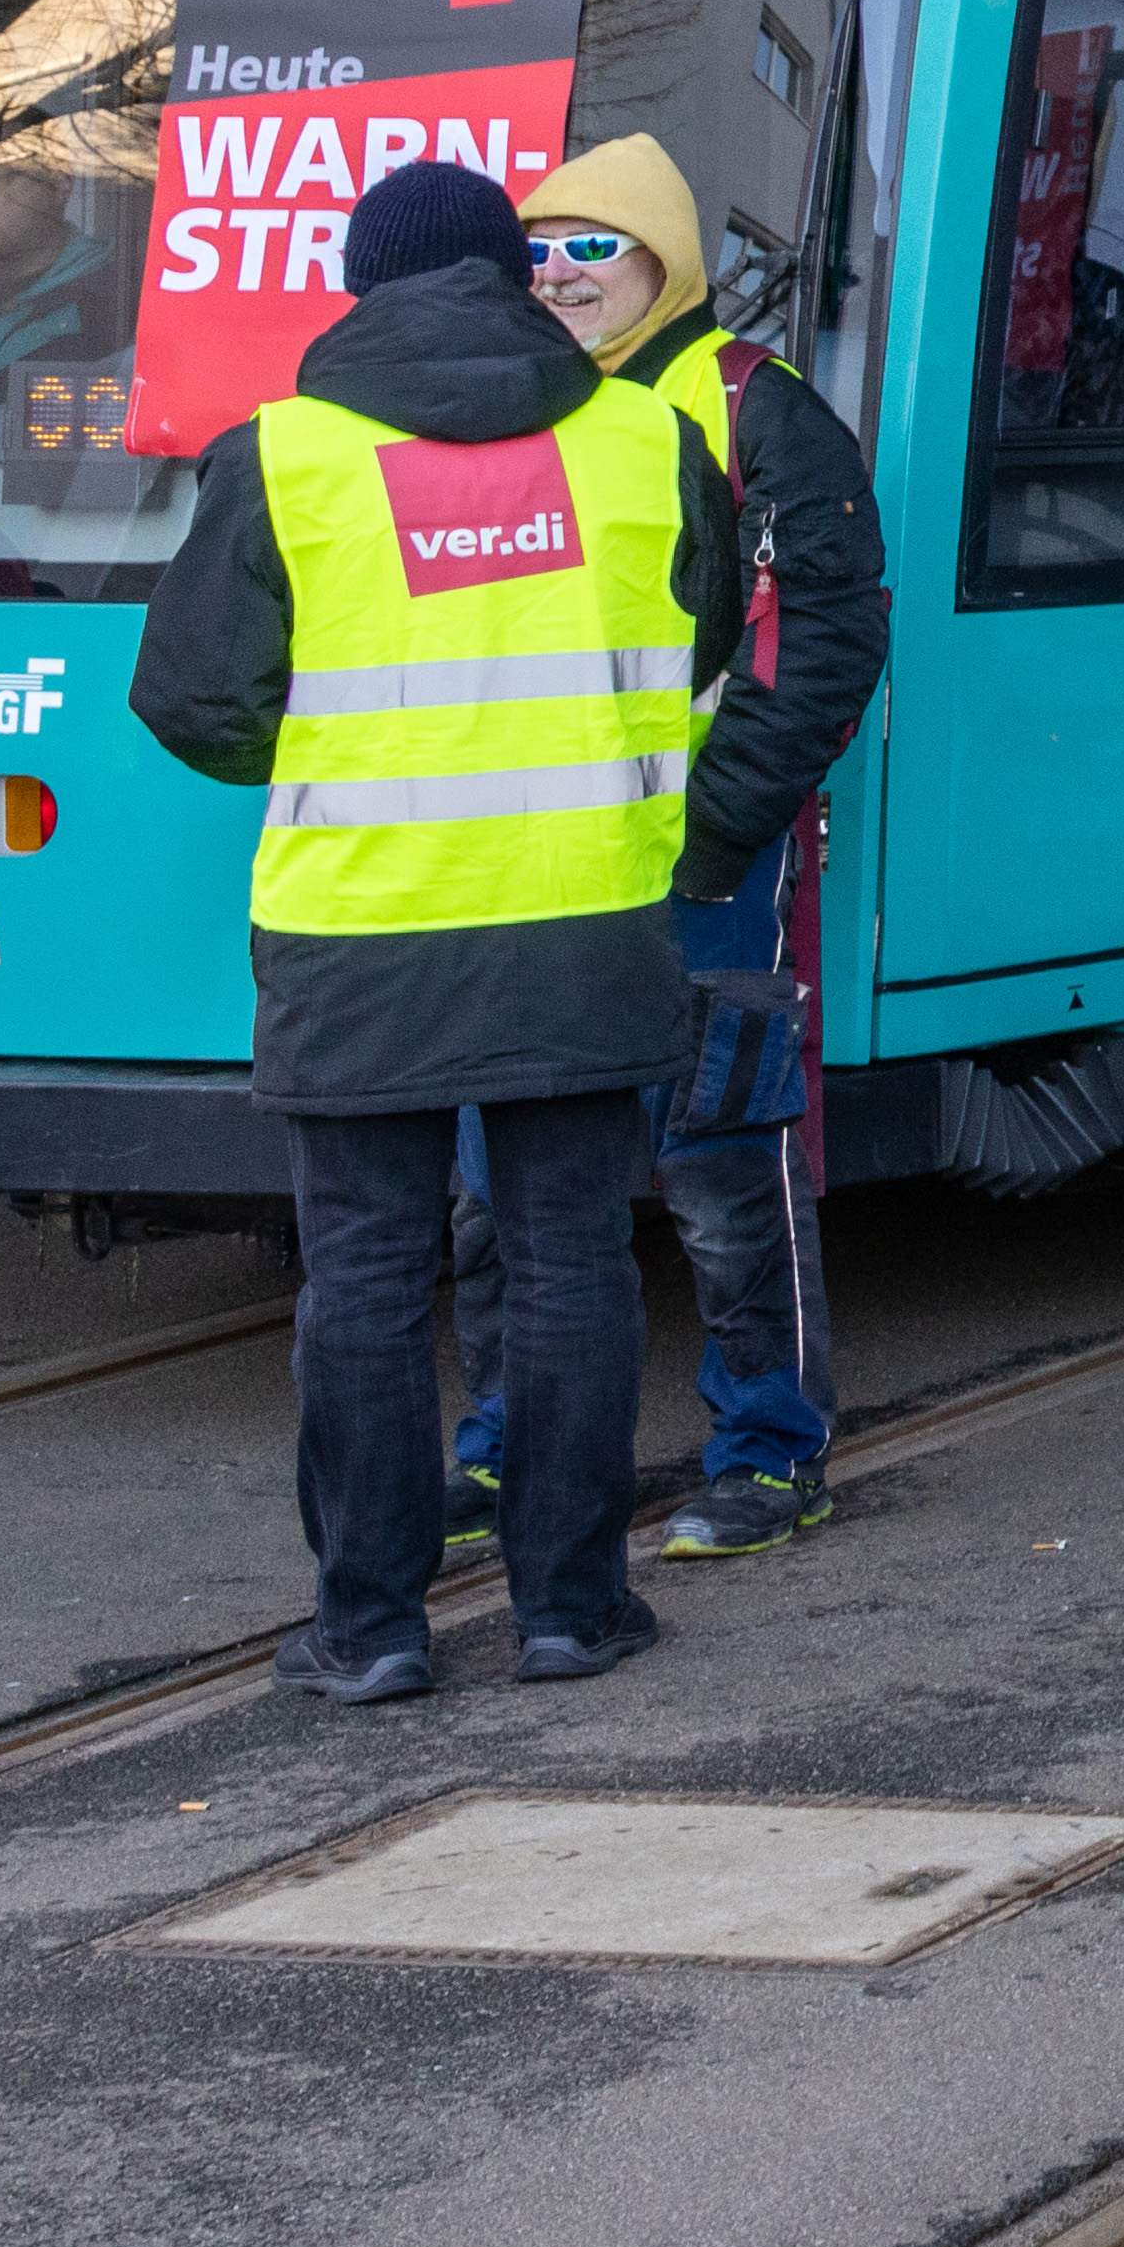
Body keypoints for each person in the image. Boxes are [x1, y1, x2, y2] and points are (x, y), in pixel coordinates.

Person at [132, 160, 769, 1699]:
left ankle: (370, 1630)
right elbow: (701, 646)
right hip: (583, 923)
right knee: (570, 1265)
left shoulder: (282, 455)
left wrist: (334, 753)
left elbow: (195, 702)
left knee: (361, 1277)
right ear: (514, 277)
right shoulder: (650, 442)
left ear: (361, 287)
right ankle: (571, 1609)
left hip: (360, 933)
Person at [443, 136, 890, 1562]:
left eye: (596, 245)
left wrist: (711, 836)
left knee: (724, 1164)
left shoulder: (757, 404)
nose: (560, 272)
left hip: (704, 866)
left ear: (667, 261)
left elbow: (824, 642)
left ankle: (768, 1451)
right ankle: (503, 1442)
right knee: (499, 1171)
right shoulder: (504, 404)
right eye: (539, 247)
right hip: (528, 863)